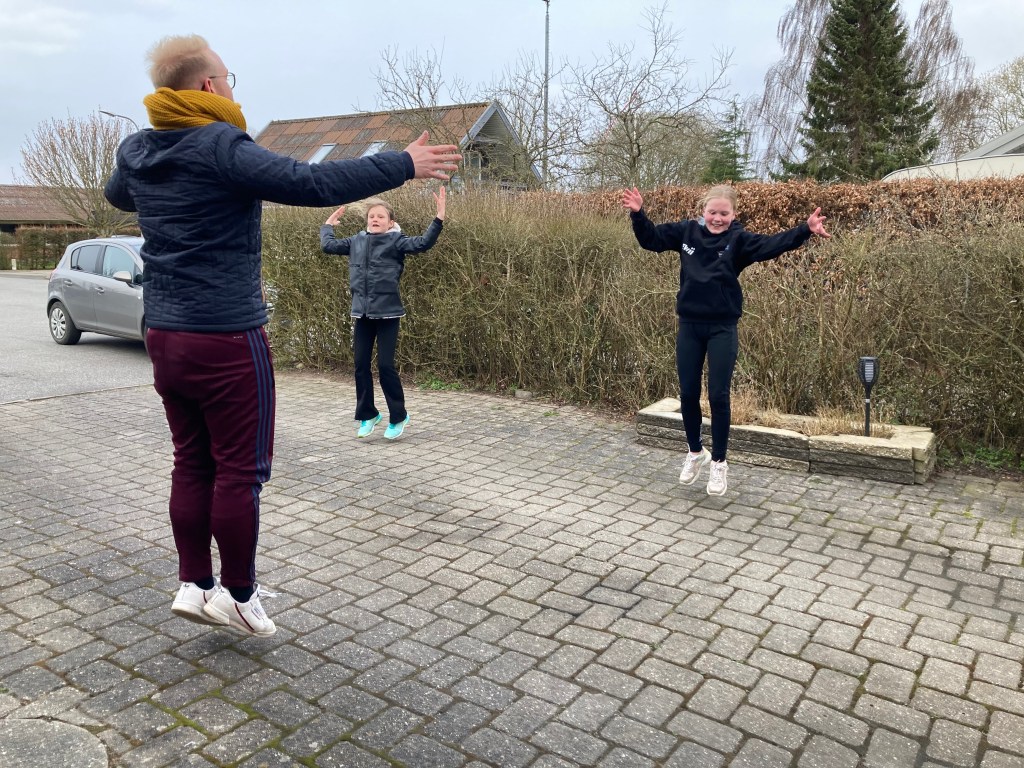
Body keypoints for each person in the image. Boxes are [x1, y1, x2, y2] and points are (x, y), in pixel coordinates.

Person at [104, 34, 460, 637]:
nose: (232, 88)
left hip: (163, 331)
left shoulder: (138, 148)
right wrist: (402, 163)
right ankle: (239, 596)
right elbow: (308, 184)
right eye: (229, 78)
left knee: (191, 461)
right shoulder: (221, 144)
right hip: (225, 333)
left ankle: (194, 583)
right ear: (210, 86)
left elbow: (117, 194)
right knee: (239, 471)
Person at [622, 184, 830, 496]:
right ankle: (695, 452)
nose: (717, 218)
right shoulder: (687, 232)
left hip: (722, 328)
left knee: (718, 396)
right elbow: (650, 240)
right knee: (688, 394)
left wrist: (805, 230)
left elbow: (772, 245)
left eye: (724, 213)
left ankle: (719, 462)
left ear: (733, 214)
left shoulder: (739, 240)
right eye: (712, 212)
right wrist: (639, 214)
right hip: (690, 326)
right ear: (703, 211)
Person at [320, 189, 446, 440]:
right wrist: (328, 226)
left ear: (390, 222)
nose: (375, 219)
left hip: (388, 314)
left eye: (380, 216)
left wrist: (439, 218)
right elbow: (328, 246)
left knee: (385, 366)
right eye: (371, 217)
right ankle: (368, 415)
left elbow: (423, 243)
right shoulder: (356, 241)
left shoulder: (397, 241)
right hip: (363, 314)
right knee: (360, 366)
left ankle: (398, 416)